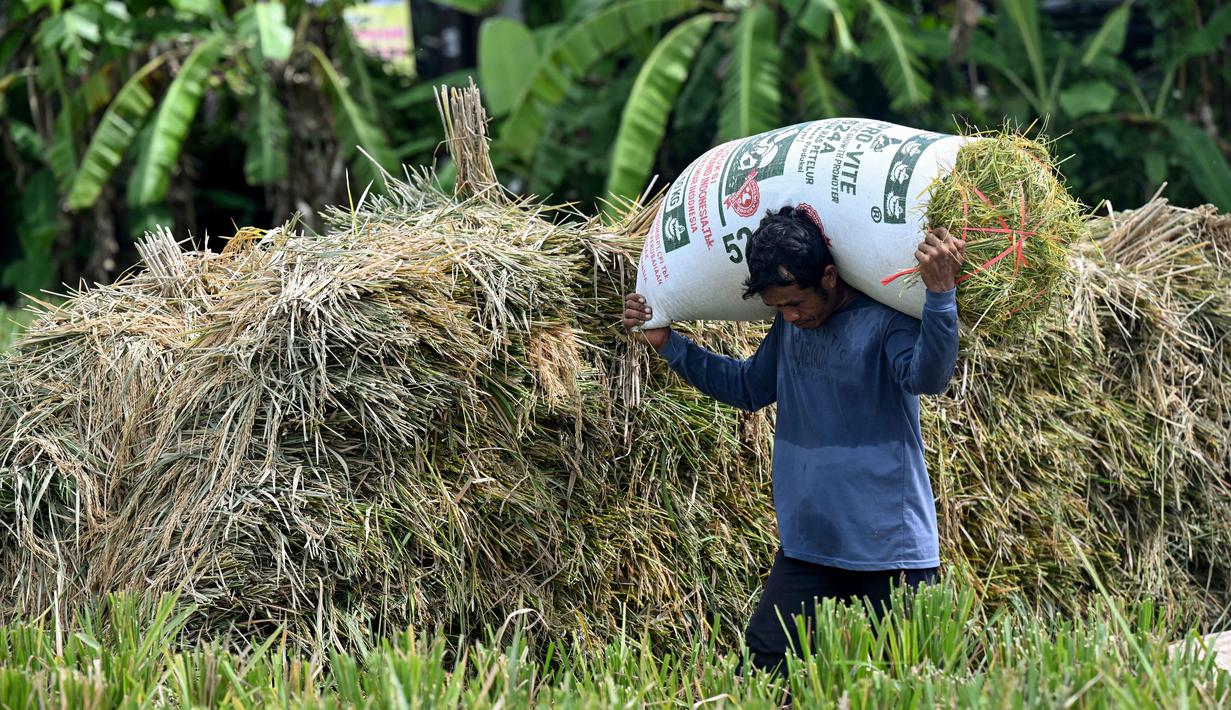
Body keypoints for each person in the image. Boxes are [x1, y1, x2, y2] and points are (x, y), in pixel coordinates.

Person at [621, 205, 965, 676]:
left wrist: (941, 297)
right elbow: (748, 388)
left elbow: (928, 377)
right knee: (758, 680)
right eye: (778, 307)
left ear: (828, 276)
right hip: (809, 548)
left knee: (909, 686)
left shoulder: (885, 321)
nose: (790, 315)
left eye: (795, 302)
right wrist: (669, 343)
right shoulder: (789, 325)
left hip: (889, 551)